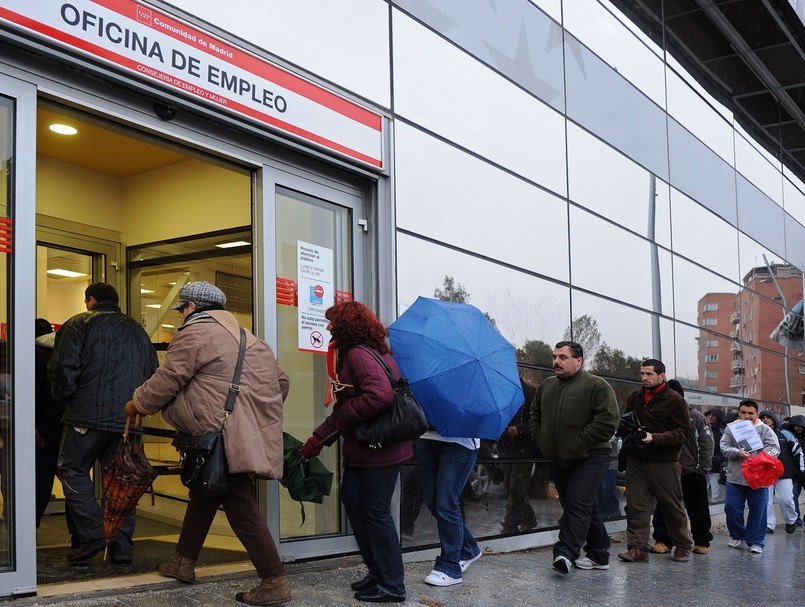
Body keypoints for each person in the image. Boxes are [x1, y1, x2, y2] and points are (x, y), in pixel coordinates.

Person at [125, 281, 291, 606]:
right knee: (204, 490)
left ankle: (274, 580)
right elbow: (281, 382)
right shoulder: (251, 339)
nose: (180, 317)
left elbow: (169, 378)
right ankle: (183, 562)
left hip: (216, 433)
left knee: (239, 503)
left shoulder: (195, 333)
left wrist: (138, 404)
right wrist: (249, 413)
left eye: (181, 309)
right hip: (236, 434)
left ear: (191, 307)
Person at [300, 301, 411, 603]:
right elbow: (345, 407)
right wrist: (317, 439)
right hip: (368, 449)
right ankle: (378, 573)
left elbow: (379, 396)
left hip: (379, 450)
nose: (328, 328)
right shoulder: (370, 353)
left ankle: (393, 585)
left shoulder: (359, 355)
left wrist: (347, 415)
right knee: (353, 500)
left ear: (347, 325)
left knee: (375, 511)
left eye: (333, 323)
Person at [48, 282, 158, 563]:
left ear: (91, 300)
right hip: (128, 420)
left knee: (71, 469)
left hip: (85, 416)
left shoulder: (77, 324)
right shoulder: (138, 331)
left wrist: (64, 400)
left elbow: (63, 368)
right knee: (123, 479)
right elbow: (153, 374)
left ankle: (94, 533)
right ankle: (121, 548)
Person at [530, 341, 619, 574]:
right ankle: (599, 554)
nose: (556, 361)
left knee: (577, 504)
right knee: (581, 506)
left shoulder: (596, 386)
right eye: (554, 357)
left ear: (579, 361)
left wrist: (580, 441)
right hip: (559, 456)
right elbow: (535, 414)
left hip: (591, 455)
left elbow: (608, 421)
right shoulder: (546, 386)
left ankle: (565, 553)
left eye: (562, 357)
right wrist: (542, 439)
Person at [618, 359, 694, 564]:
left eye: (649, 374)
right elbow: (626, 421)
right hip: (637, 460)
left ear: (662, 376)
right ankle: (637, 548)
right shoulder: (635, 397)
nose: (644, 378)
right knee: (635, 506)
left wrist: (655, 438)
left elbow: (684, 432)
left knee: (671, 506)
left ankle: (683, 545)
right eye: (642, 374)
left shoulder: (675, 400)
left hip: (664, 461)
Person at [650, 379, 713, 555]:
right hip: (668, 469)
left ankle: (701, 540)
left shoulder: (696, 417)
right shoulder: (661, 416)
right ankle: (663, 540)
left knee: (698, 508)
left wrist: (702, 469)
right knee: (664, 507)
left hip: (693, 471)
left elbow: (706, 444)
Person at [720, 400, 779, 554]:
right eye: (743, 412)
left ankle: (756, 541)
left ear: (756, 414)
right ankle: (737, 534)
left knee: (758, 511)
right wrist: (736, 452)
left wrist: (759, 459)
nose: (747, 416)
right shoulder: (730, 429)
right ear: (738, 413)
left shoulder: (765, 429)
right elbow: (724, 447)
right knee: (731, 507)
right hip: (735, 476)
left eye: (750, 413)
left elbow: (774, 448)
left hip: (758, 478)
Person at [34, 318, 64, 529]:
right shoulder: (65, 352)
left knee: (40, 480)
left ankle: (28, 528)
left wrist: (31, 424)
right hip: (67, 423)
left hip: (43, 426)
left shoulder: (33, 355)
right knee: (72, 478)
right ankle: (81, 535)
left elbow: (32, 392)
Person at [497, 379, 537, 534]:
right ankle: (528, 518)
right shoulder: (501, 392)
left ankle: (510, 523)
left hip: (523, 447)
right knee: (510, 484)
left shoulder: (531, 394)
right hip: (504, 445)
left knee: (516, 485)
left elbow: (538, 420)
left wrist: (520, 429)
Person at [759, 410, 803, 534]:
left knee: (786, 499)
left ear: (774, 419)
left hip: (784, 472)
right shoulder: (757, 433)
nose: (765, 420)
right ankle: (769, 524)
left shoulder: (785, 434)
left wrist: (797, 469)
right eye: (763, 417)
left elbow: (797, 452)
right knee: (766, 500)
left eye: (768, 417)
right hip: (765, 472)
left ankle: (791, 520)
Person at [704, 408, 726, 502]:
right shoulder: (703, 429)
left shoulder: (722, 431)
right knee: (701, 493)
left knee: (716, 494)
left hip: (717, 466)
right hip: (703, 465)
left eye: (713, 415)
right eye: (709, 415)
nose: (711, 417)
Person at [787, 414, 805, 527]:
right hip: (794, 471)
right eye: (794, 426)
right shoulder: (790, 436)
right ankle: (796, 519)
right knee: (792, 496)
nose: (797, 428)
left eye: (799, 426)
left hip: (800, 470)